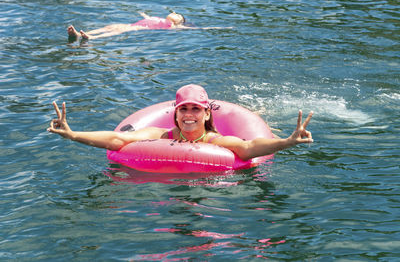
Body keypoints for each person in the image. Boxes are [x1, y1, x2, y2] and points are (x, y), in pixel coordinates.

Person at [47, 84, 313, 161]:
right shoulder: (160, 134)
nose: (189, 115)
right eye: (183, 109)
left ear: (207, 114)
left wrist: (288, 142)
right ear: (174, 113)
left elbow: (249, 146)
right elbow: (119, 140)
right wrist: (73, 135)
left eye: (195, 109)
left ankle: (263, 113)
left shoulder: (216, 141)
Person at [68, 12, 230, 40]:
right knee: (111, 26)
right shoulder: (158, 17)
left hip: (138, 28)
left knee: (115, 31)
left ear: (179, 21)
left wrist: (219, 29)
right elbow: (146, 17)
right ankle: (81, 33)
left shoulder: (173, 26)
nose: (174, 13)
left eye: (177, 15)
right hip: (132, 23)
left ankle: (92, 37)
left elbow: (199, 29)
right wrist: (142, 13)